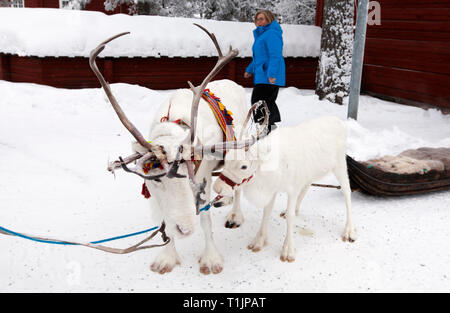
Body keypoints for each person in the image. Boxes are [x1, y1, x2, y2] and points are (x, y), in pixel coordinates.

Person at [244, 10, 285, 133]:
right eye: (257, 19)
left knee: (260, 102)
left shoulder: (272, 34)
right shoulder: (261, 35)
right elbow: (260, 58)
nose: (259, 21)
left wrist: (272, 74)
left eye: (262, 19)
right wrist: (250, 70)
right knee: (265, 102)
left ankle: (267, 129)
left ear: (269, 19)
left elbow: (275, 55)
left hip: (269, 75)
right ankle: (268, 129)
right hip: (262, 74)